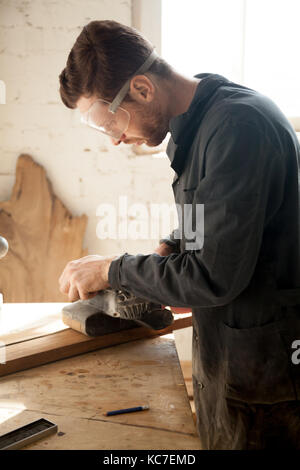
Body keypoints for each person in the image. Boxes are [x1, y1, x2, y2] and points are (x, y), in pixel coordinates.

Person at [58, 20, 300, 449]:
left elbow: (212, 276)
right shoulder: (200, 123)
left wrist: (114, 270)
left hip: (268, 371)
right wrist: (174, 243)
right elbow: (221, 214)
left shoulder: (238, 127)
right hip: (231, 353)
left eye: (109, 126)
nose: (115, 141)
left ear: (142, 89)